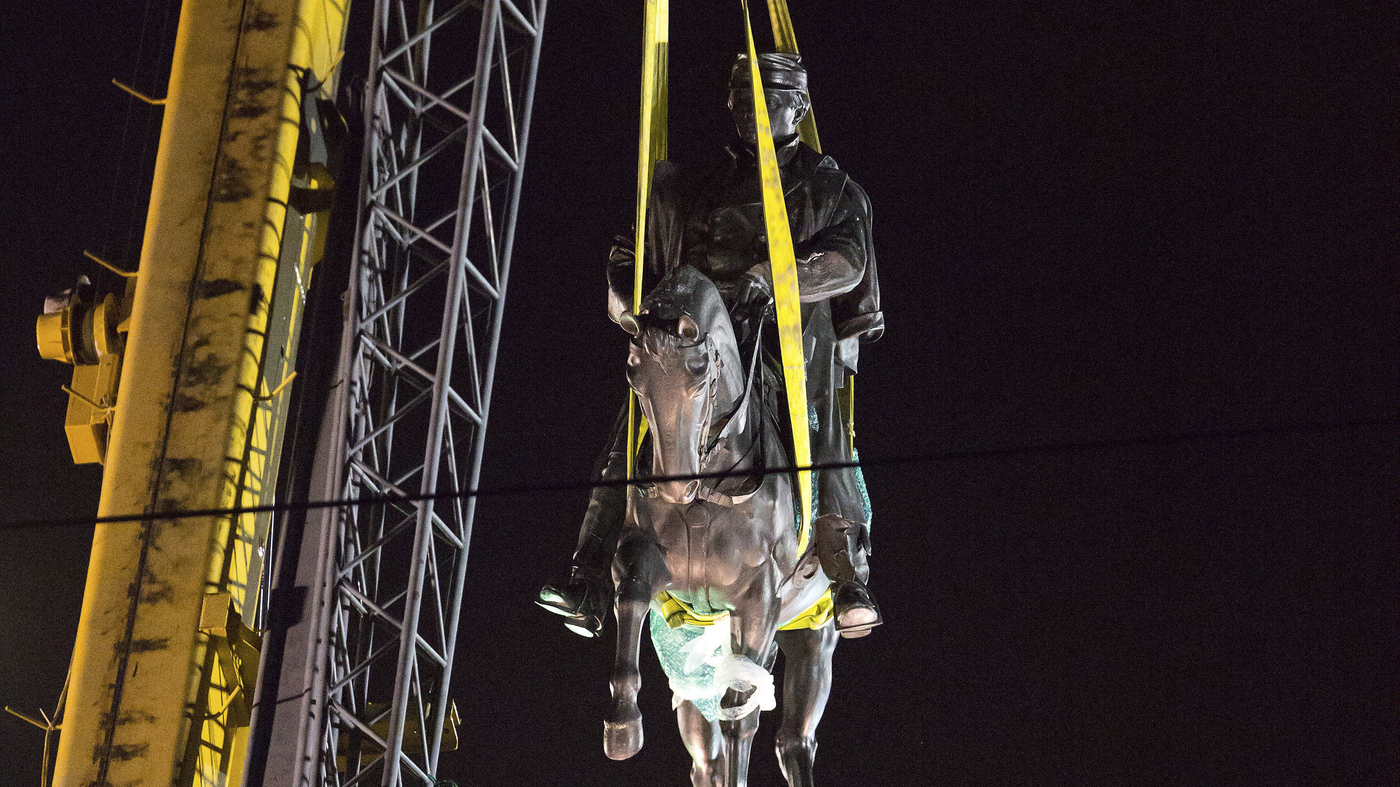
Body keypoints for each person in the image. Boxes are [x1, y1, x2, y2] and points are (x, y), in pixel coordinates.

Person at [538, 52, 884, 639]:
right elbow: (630, 253)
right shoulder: (692, 184)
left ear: (798, 108)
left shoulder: (830, 188)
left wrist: (772, 279)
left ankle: (844, 564)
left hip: (783, 335)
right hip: (692, 330)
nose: (752, 113)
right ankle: (590, 570)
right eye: (742, 102)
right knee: (637, 421)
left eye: (767, 103)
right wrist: (635, 308)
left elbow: (847, 260)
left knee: (819, 427)